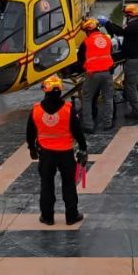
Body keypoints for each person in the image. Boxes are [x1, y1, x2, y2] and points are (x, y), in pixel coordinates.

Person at [26, 75, 87, 226]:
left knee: (46, 185)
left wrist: (32, 149)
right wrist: (83, 148)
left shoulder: (36, 110)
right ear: (60, 90)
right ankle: (71, 215)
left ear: (44, 90)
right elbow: (78, 131)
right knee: (69, 185)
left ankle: (47, 217)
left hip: (46, 154)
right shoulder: (68, 109)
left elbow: (30, 133)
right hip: (66, 154)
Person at [102, 4, 138, 119]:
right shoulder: (137, 25)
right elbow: (122, 31)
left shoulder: (132, 27)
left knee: (130, 86)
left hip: (133, 60)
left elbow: (121, 32)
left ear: (129, 15)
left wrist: (107, 23)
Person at [78, 18, 115, 131]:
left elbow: (80, 59)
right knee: (108, 98)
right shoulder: (106, 39)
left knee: (87, 98)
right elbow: (110, 53)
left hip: (92, 74)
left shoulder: (86, 42)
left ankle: (88, 125)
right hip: (107, 72)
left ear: (88, 31)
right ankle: (108, 123)